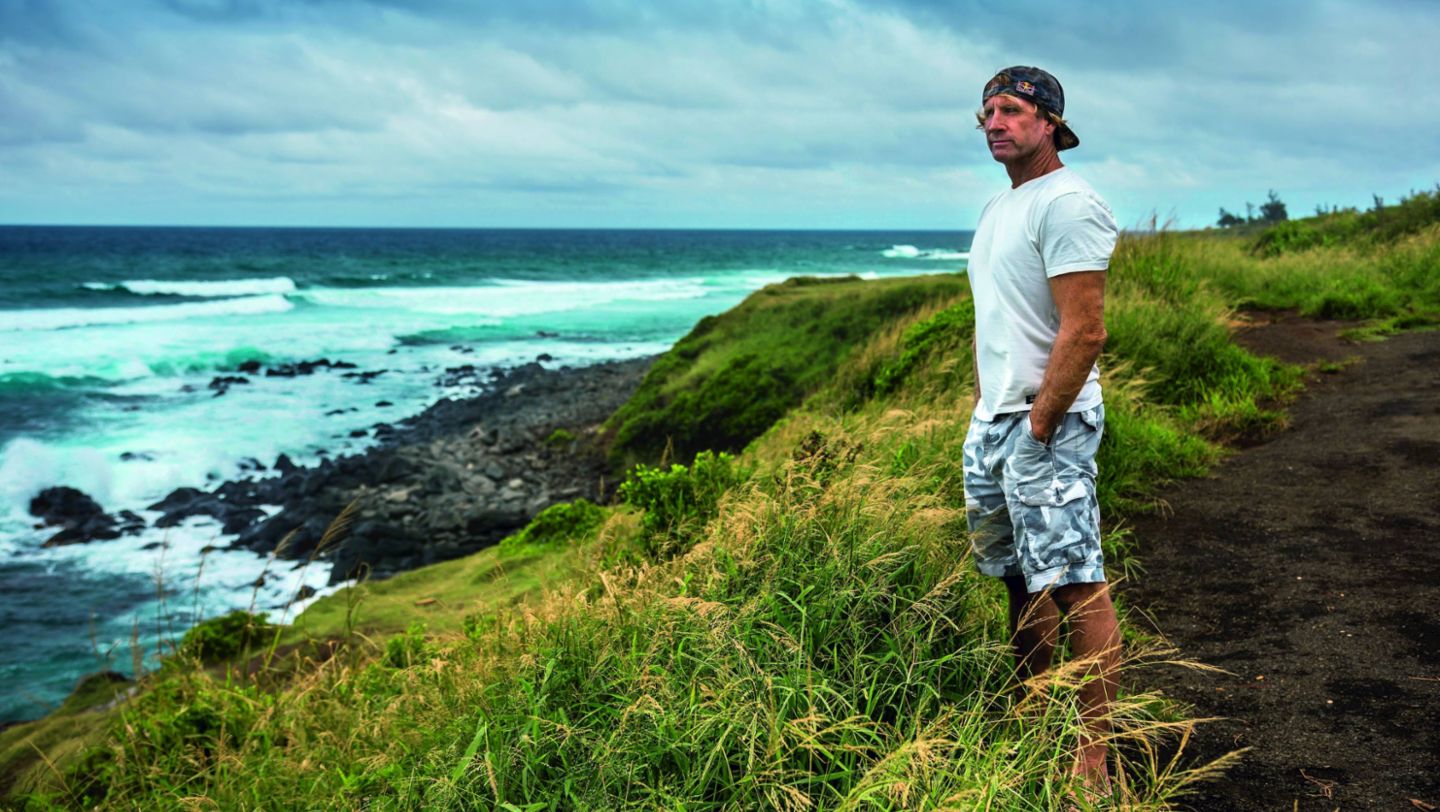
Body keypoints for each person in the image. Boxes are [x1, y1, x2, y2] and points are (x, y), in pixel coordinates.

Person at [961, 66, 1121, 794]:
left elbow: (1084, 330)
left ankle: (1092, 759)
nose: (994, 122)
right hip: (996, 420)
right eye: (986, 112)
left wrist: (1036, 427)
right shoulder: (1003, 205)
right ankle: (1032, 719)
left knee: (1077, 583)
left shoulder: (1068, 202)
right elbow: (998, 324)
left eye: (1011, 110)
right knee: (1021, 578)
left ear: (1050, 122)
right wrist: (989, 416)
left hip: (1043, 424)